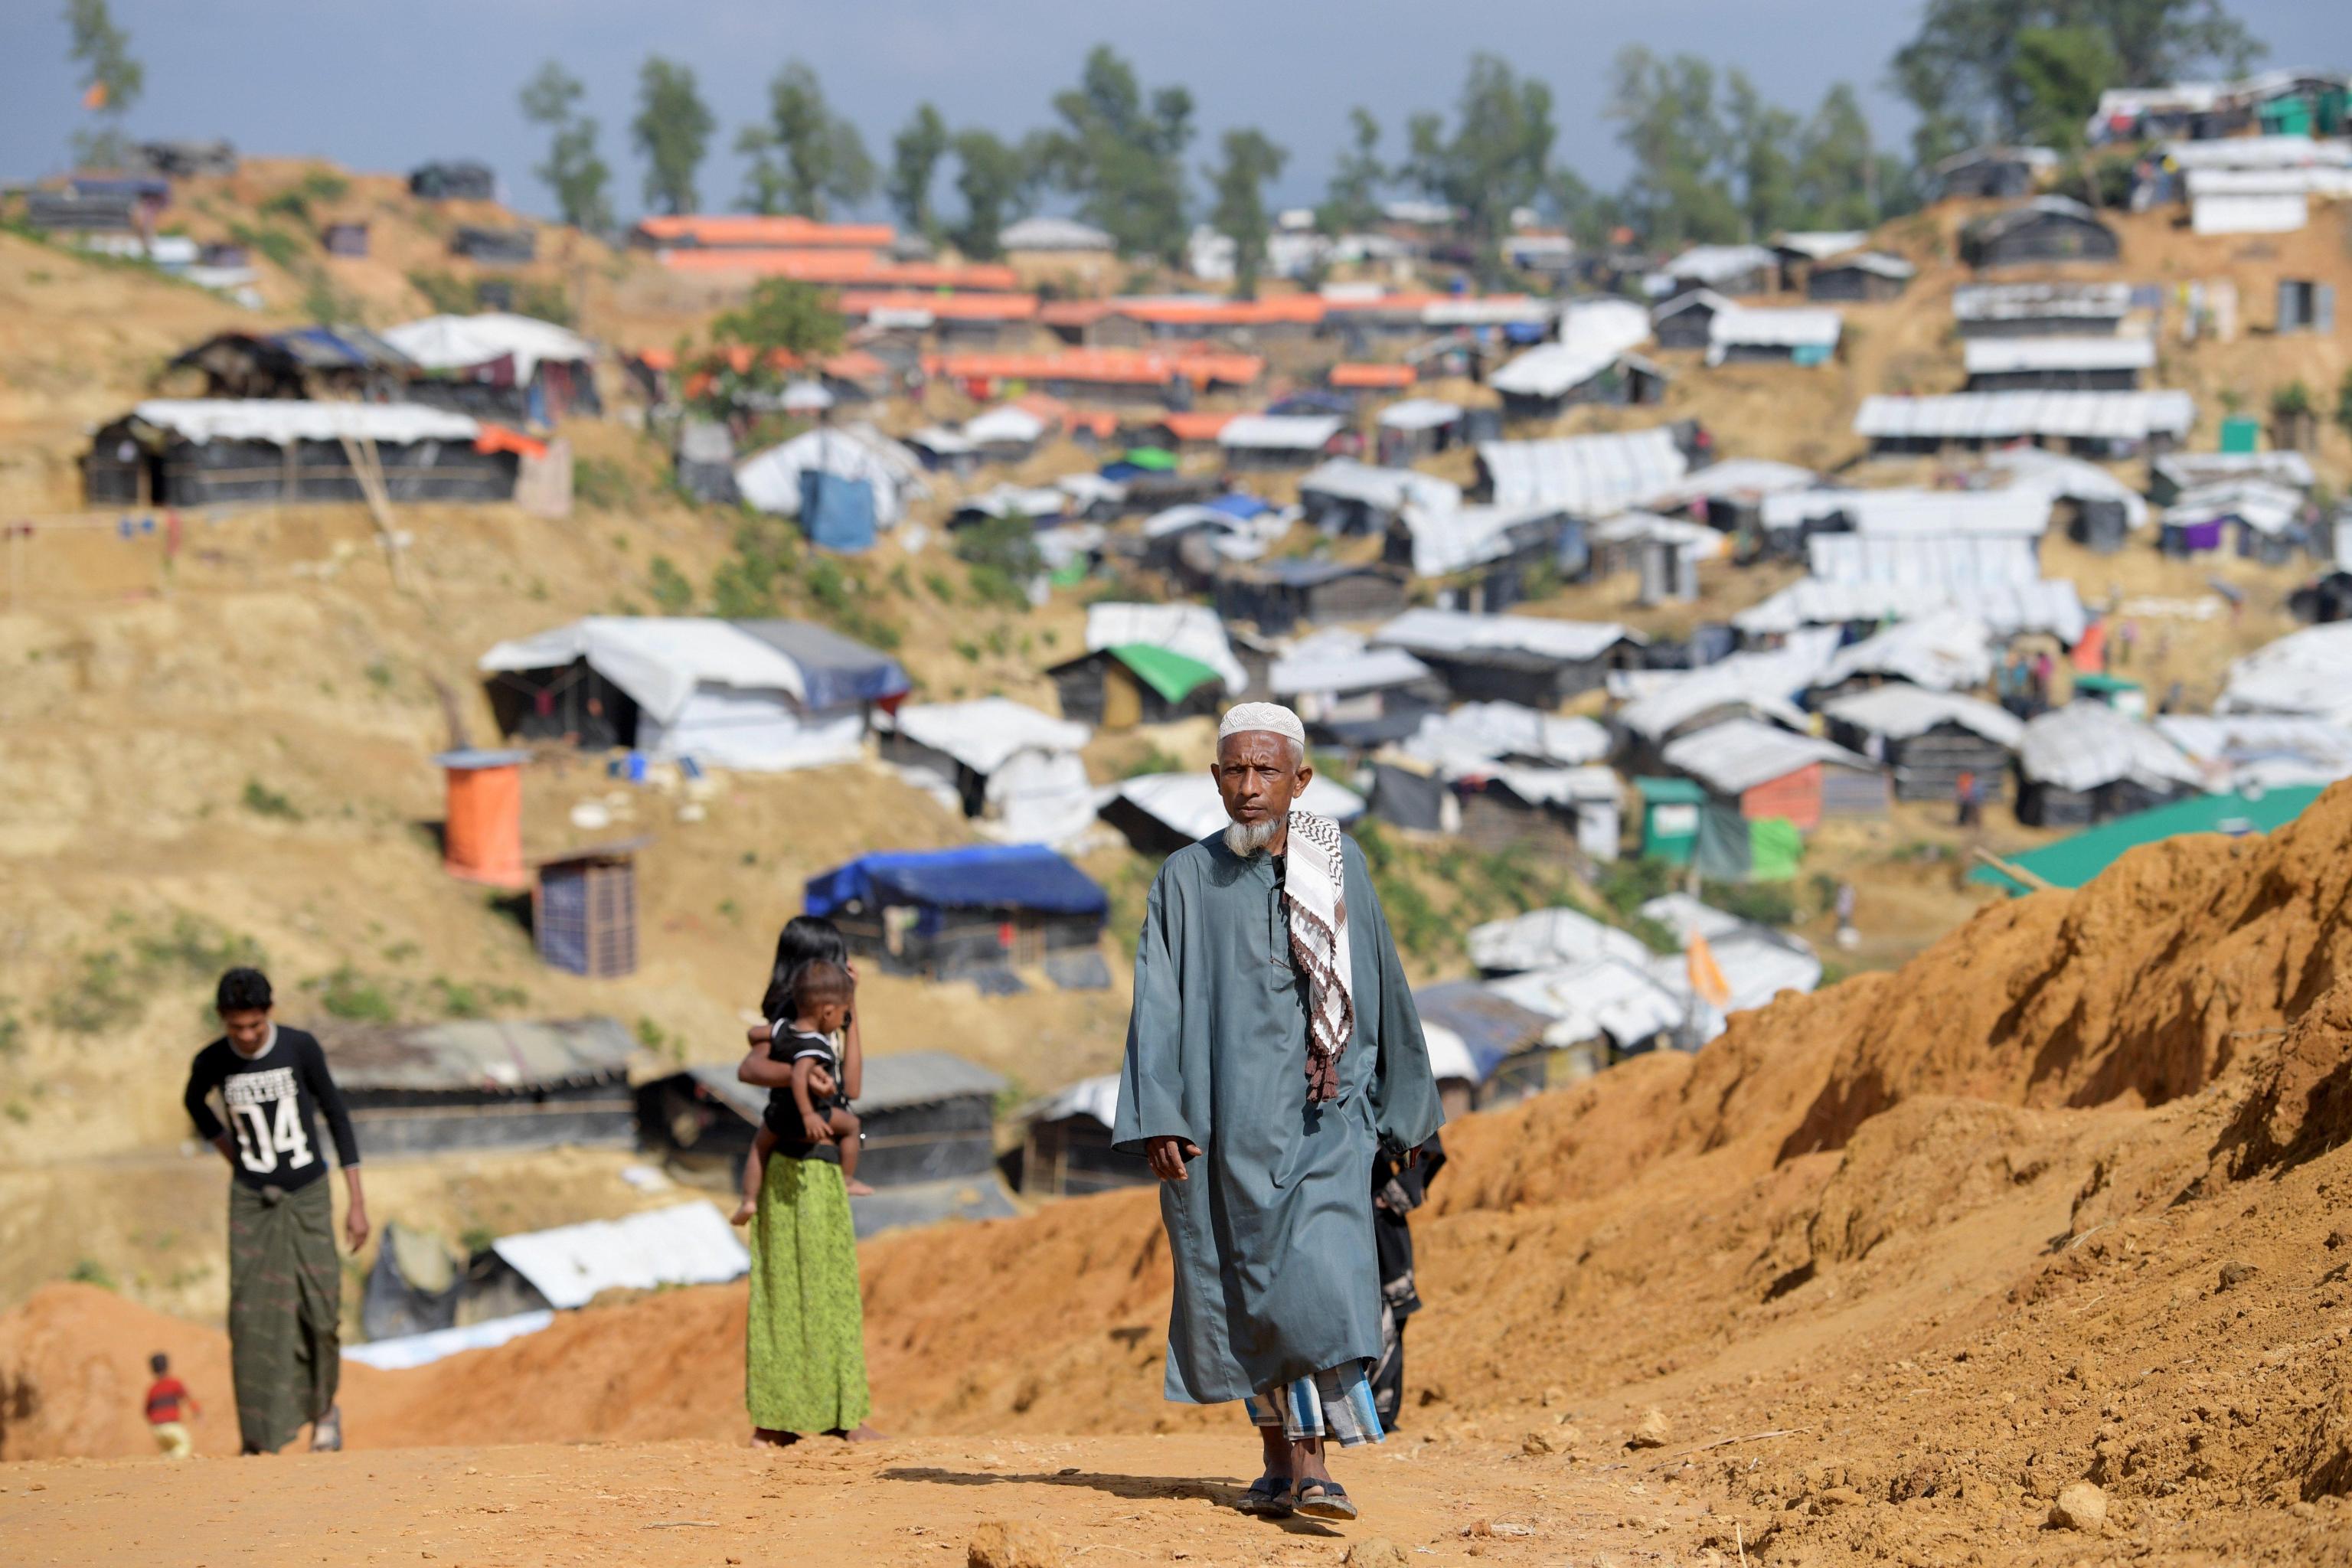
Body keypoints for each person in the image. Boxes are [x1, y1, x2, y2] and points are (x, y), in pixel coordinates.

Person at [1114, 702, 1443, 1524]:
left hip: (1327, 1115)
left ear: (1302, 779)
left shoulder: (1339, 864)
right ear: (1216, 777)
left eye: (1268, 771)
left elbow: (1383, 982)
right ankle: (1274, 1459)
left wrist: (1400, 1109)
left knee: (1322, 1279)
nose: (1250, 786)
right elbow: (1157, 1002)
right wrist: (1162, 1110)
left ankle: (1316, 1465)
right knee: (1242, 1285)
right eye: (1236, 770)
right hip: (1223, 1118)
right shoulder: (1184, 880)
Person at [181, 968, 368, 1455]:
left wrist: (357, 1203)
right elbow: (193, 1104)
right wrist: (231, 1154)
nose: (245, 1036)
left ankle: (326, 1413)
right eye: (235, 1027)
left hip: (308, 1193)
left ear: (269, 1015)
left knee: (321, 1311)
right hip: (252, 1201)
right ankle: (258, 1439)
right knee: (252, 1321)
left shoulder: (299, 1048)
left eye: (254, 1026)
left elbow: (337, 1115)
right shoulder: (213, 1061)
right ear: (223, 1021)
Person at [734, 916, 880, 1446]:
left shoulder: (831, 1024)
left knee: (834, 1290)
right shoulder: (788, 1021)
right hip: (791, 1169)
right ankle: (771, 1422)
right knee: (784, 1292)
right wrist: (803, 1067)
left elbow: (855, 1088)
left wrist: (851, 1017)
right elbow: (750, 1069)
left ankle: (846, 1414)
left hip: (823, 1171)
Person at [731, 959, 870, 1223]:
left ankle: (749, 1200)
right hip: (807, 1115)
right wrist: (809, 1113)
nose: (843, 1020)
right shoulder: (817, 1045)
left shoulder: (783, 1028)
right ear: (827, 1013)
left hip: (777, 1113)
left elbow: (754, 1034)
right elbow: (799, 1074)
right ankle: (848, 1179)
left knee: (759, 1148)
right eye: (843, 1014)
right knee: (853, 1125)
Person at [1369, 1133, 1445, 1432]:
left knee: (1391, 1313)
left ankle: (1380, 1411)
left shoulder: (1375, 1085)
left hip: (1380, 1222)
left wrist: (1397, 1193)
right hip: (1325, 1217)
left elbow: (1426, 1139)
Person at [143, 1352, 201, 1459]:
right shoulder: (174, 1383)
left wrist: (156, 1422)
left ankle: (166, 1464)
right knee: (184, 1445)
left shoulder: (152, 1389)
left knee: (168, 1451)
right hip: (172, 1425)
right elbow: (188, 1397)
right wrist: (196, 1410)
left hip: (157, 1429)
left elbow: (147, 1410)